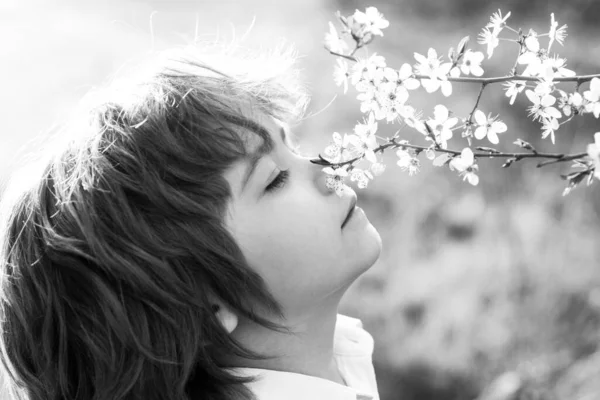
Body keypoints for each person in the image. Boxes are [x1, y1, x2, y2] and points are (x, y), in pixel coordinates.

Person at [0, 40, 383, 400]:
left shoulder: (341, 353)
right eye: (275, 179)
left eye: (292, 145)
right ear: (211, 311)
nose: (324, 167)